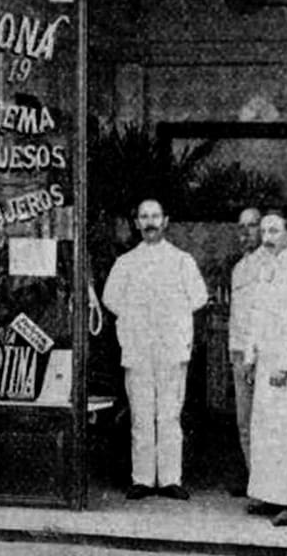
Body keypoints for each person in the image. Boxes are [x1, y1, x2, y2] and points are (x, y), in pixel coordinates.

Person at [101, 198, 208, 500]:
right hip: (138, 348)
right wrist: (135, 319)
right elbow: (111, 299)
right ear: (137, 223)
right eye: (144, 217)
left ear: (166, 221)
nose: (149, 222)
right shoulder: (125, 263)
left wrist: (171, 319)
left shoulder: (182, 261)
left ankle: (171, 478)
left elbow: (198, 298)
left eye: (155, 216)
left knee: (170, 415)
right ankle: (143, 479)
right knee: (141, 415)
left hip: (171, 348)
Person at [244, 210, 287, 526]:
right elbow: (256, 314)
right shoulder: (267, 267)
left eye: (274, 231)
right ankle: (270, 495)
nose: (267, 238)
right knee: (267, 431)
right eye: (264, 231)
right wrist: (250, 356)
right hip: (266, 361)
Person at [227, 207, 264, 496]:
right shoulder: (240, 267)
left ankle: (265, 487)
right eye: (242, 227)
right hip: (238, 351)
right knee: (245, 422)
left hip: (259, 354)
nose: (246, 232)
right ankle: (255, 479)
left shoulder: (269, 265)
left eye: (252, 226)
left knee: (262, 422)